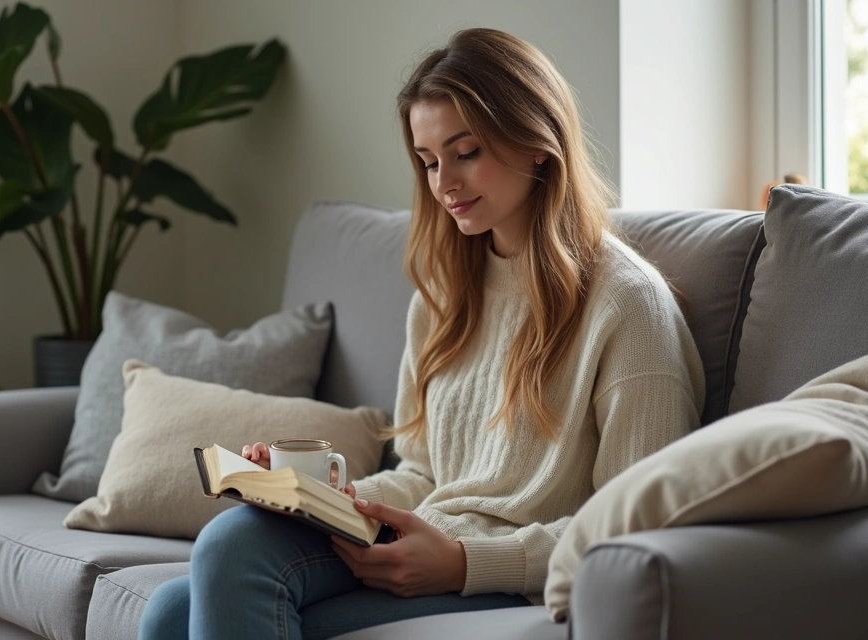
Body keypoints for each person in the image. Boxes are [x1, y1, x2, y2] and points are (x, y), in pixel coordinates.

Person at [138, 27, 705, 640]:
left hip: (506, 578)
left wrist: (465, 562)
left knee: (227, 552)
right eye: (430, 161)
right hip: (417, 542)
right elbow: (425, 476)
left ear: (538, 144)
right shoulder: (444, 297)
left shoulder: (627, 305)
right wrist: (319, 495)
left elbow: (633, 529)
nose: (444, 185)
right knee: (170, 610)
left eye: (466, 153)